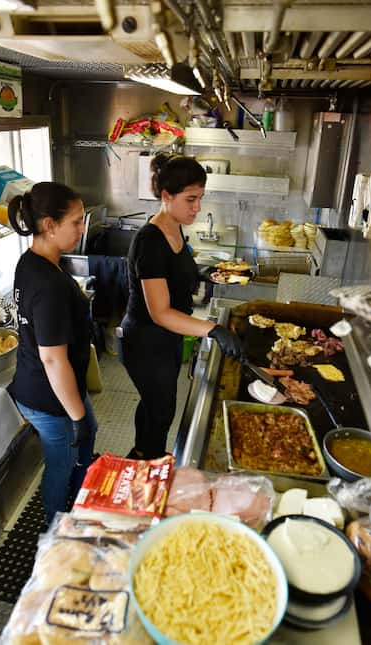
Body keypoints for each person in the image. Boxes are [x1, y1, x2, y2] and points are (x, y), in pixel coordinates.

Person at [119, 153, 242, 460]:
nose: (197, 207)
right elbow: (160, 313)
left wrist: (197, 274)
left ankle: (142, 454)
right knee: (160, 410)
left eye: (200, 198)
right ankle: (146, 466)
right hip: (146, 342)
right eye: (190, 199)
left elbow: (173, 272)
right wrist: (213, 330)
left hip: (166, 340)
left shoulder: (175, 227)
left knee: (155, 406)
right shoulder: (150, 240)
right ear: (166, 196)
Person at [8, 182, 98, 523]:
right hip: (50, 398)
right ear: (49, 225)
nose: (81, 228)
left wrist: (82, 417)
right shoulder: (50, 285)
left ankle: (77, 505)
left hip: (47, 386)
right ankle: (55, 532)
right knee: (60, 466)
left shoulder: (30, 262)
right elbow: (52, 358)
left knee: (86, 438)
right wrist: (76, 417)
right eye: (75, 222)